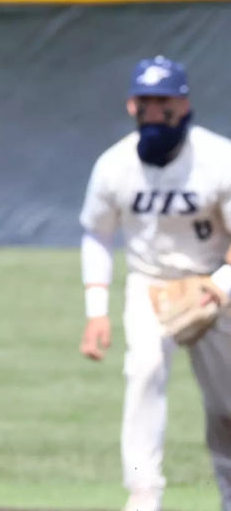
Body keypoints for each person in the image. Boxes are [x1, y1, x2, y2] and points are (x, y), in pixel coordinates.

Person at [78, 56, 231, 511]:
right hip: (149, 285)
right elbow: (97, 234)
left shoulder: (219, 158)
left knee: (227, 407)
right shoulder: (114, 164)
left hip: (214, 287)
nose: (153, 110)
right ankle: (144, 495)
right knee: (142, 371)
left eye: (163, 100)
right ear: (131, 104)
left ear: (182, 104)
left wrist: (219, 286)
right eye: (144, 100)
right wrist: (96, 312)